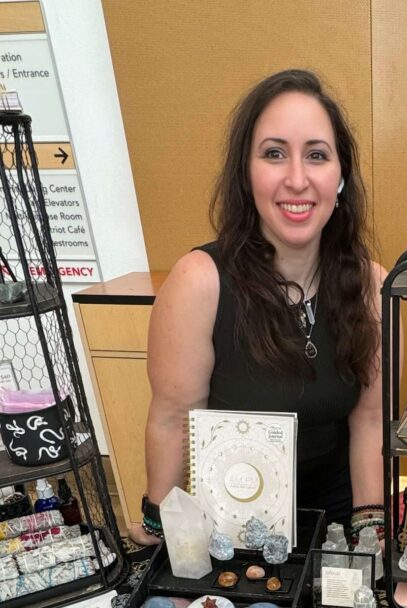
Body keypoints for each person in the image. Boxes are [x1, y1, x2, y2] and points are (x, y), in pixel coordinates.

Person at [133, 69, 392, 547]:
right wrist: (159, 526)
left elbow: (371, 420)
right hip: (231, 523)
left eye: (317, 155)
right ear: (246, 174)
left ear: (340, 178)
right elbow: (173, 419)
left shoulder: (373, 285)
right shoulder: (198, 281)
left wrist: (369, 531)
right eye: (274, 154)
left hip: (336, 520)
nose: (297, 179)